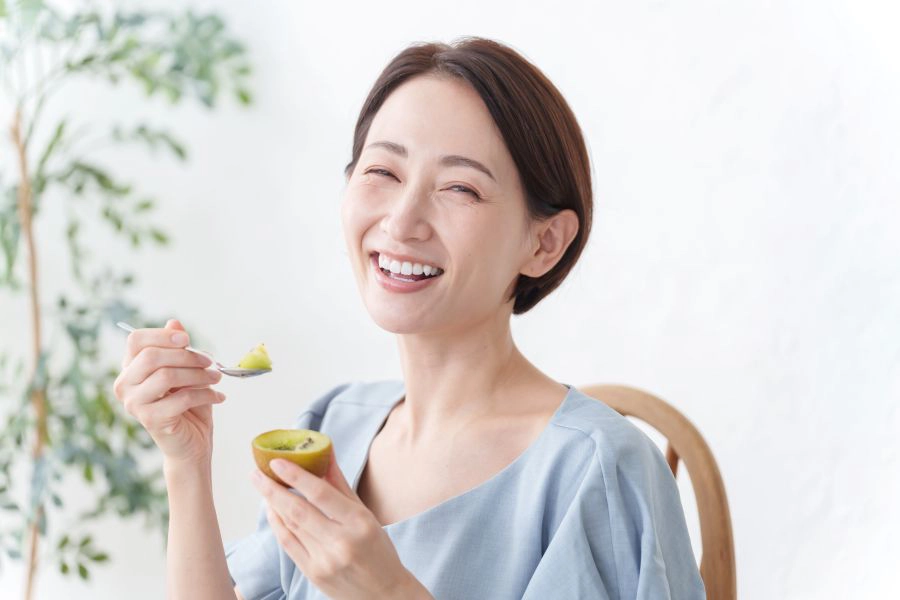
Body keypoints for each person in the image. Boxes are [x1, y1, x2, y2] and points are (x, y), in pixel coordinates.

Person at [113, 36, 706, 599]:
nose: (401, 221)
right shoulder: (332, 426)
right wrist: (185, 464)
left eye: (460, 189)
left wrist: (390, 592)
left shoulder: (599, 470)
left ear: (545, 242)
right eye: (382, 172)